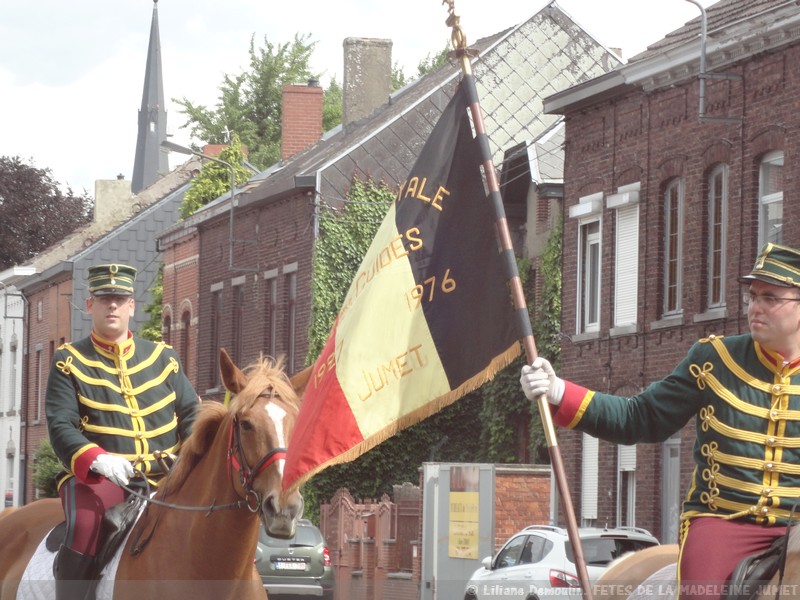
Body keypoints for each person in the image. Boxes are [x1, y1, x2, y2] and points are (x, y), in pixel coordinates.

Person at [520, 242, 800, 600]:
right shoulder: (713, 360)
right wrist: (559, 391)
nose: (755, 307)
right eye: (752, 296)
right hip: (724, 523)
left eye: (770, 298)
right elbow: (640, 417)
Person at [45, 263, 199, 600]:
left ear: (132, 306)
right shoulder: (69, 361)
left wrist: (193, 451)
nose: (111, 305)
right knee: (85, 524)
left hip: (168, 479)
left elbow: (192, 415)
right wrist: (98, 460)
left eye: (119, 298)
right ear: (90, 306)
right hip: (101, 482)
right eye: (103, 299)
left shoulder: (164, 359)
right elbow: (60, 425)